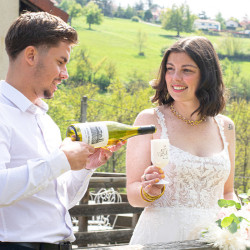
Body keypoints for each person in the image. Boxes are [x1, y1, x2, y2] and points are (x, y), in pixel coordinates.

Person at [0, 12, 124, 249]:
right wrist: (62, 160)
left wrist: (84, 167)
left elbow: (60, 200)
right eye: (60, 62)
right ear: (31, 55)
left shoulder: (46, 122)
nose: (65, 75)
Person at [126, 36, 236, 244]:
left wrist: (238, 227)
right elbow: (133, 195)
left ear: (206, 75)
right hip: (162, 239)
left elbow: (228, 192)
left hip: (212, 242)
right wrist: (148, 191)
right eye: (170, 68)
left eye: (187, 70)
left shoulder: (226, 126)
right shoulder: (149, 120)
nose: (175, 77)